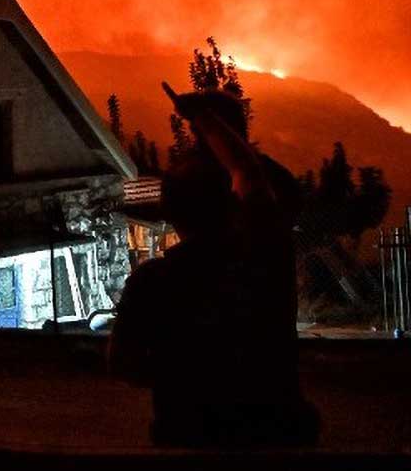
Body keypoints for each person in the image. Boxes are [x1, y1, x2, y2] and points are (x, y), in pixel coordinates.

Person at [108, 84, 319, 447]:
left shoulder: (153, 282)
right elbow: (250, 176)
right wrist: (207, 122)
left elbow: (123, 363)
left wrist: (182, 373)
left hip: (186, 437)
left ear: (171, 214)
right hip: (276, 437)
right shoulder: (264, 260)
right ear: (233, 205)